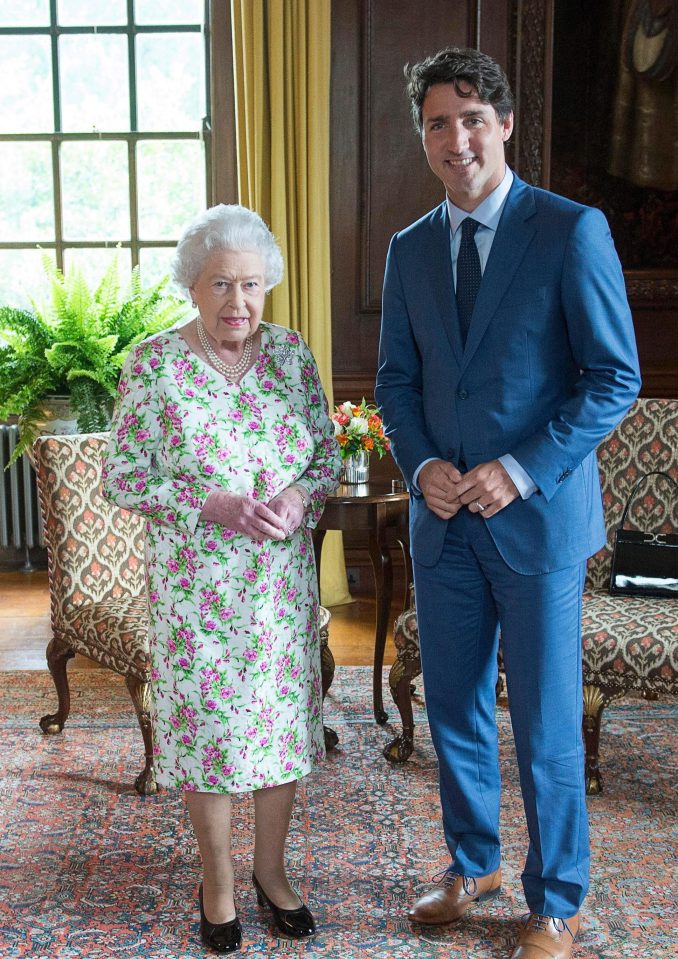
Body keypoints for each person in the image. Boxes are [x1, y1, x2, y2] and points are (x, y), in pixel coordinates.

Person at [375, 47, 641, 959]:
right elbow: (396, 383)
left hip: (536, 521)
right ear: (424, 136)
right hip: (441, 525)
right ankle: (473, 861)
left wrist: (519, 469)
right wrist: (420, 466)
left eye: (473, 119)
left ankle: (556, 901)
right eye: (439, 124)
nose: (458, 140)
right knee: (453, 705)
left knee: (544, 720)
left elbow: (613, 379)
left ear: (506, 124)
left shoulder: (571, 230)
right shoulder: (409, 250)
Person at [102, 204, 341, 953]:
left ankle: (271, 871)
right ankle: (219, 884)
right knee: (208, 734)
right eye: (220, 285)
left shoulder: (293, 353)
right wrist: (212, 504)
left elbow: (325, 456)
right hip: (193, 591)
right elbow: (122, 474)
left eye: (251, 285)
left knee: (278, 729)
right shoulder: (152, 363)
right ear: (192, 287)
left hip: (277, 590)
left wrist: (301, 494)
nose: (238, 302)